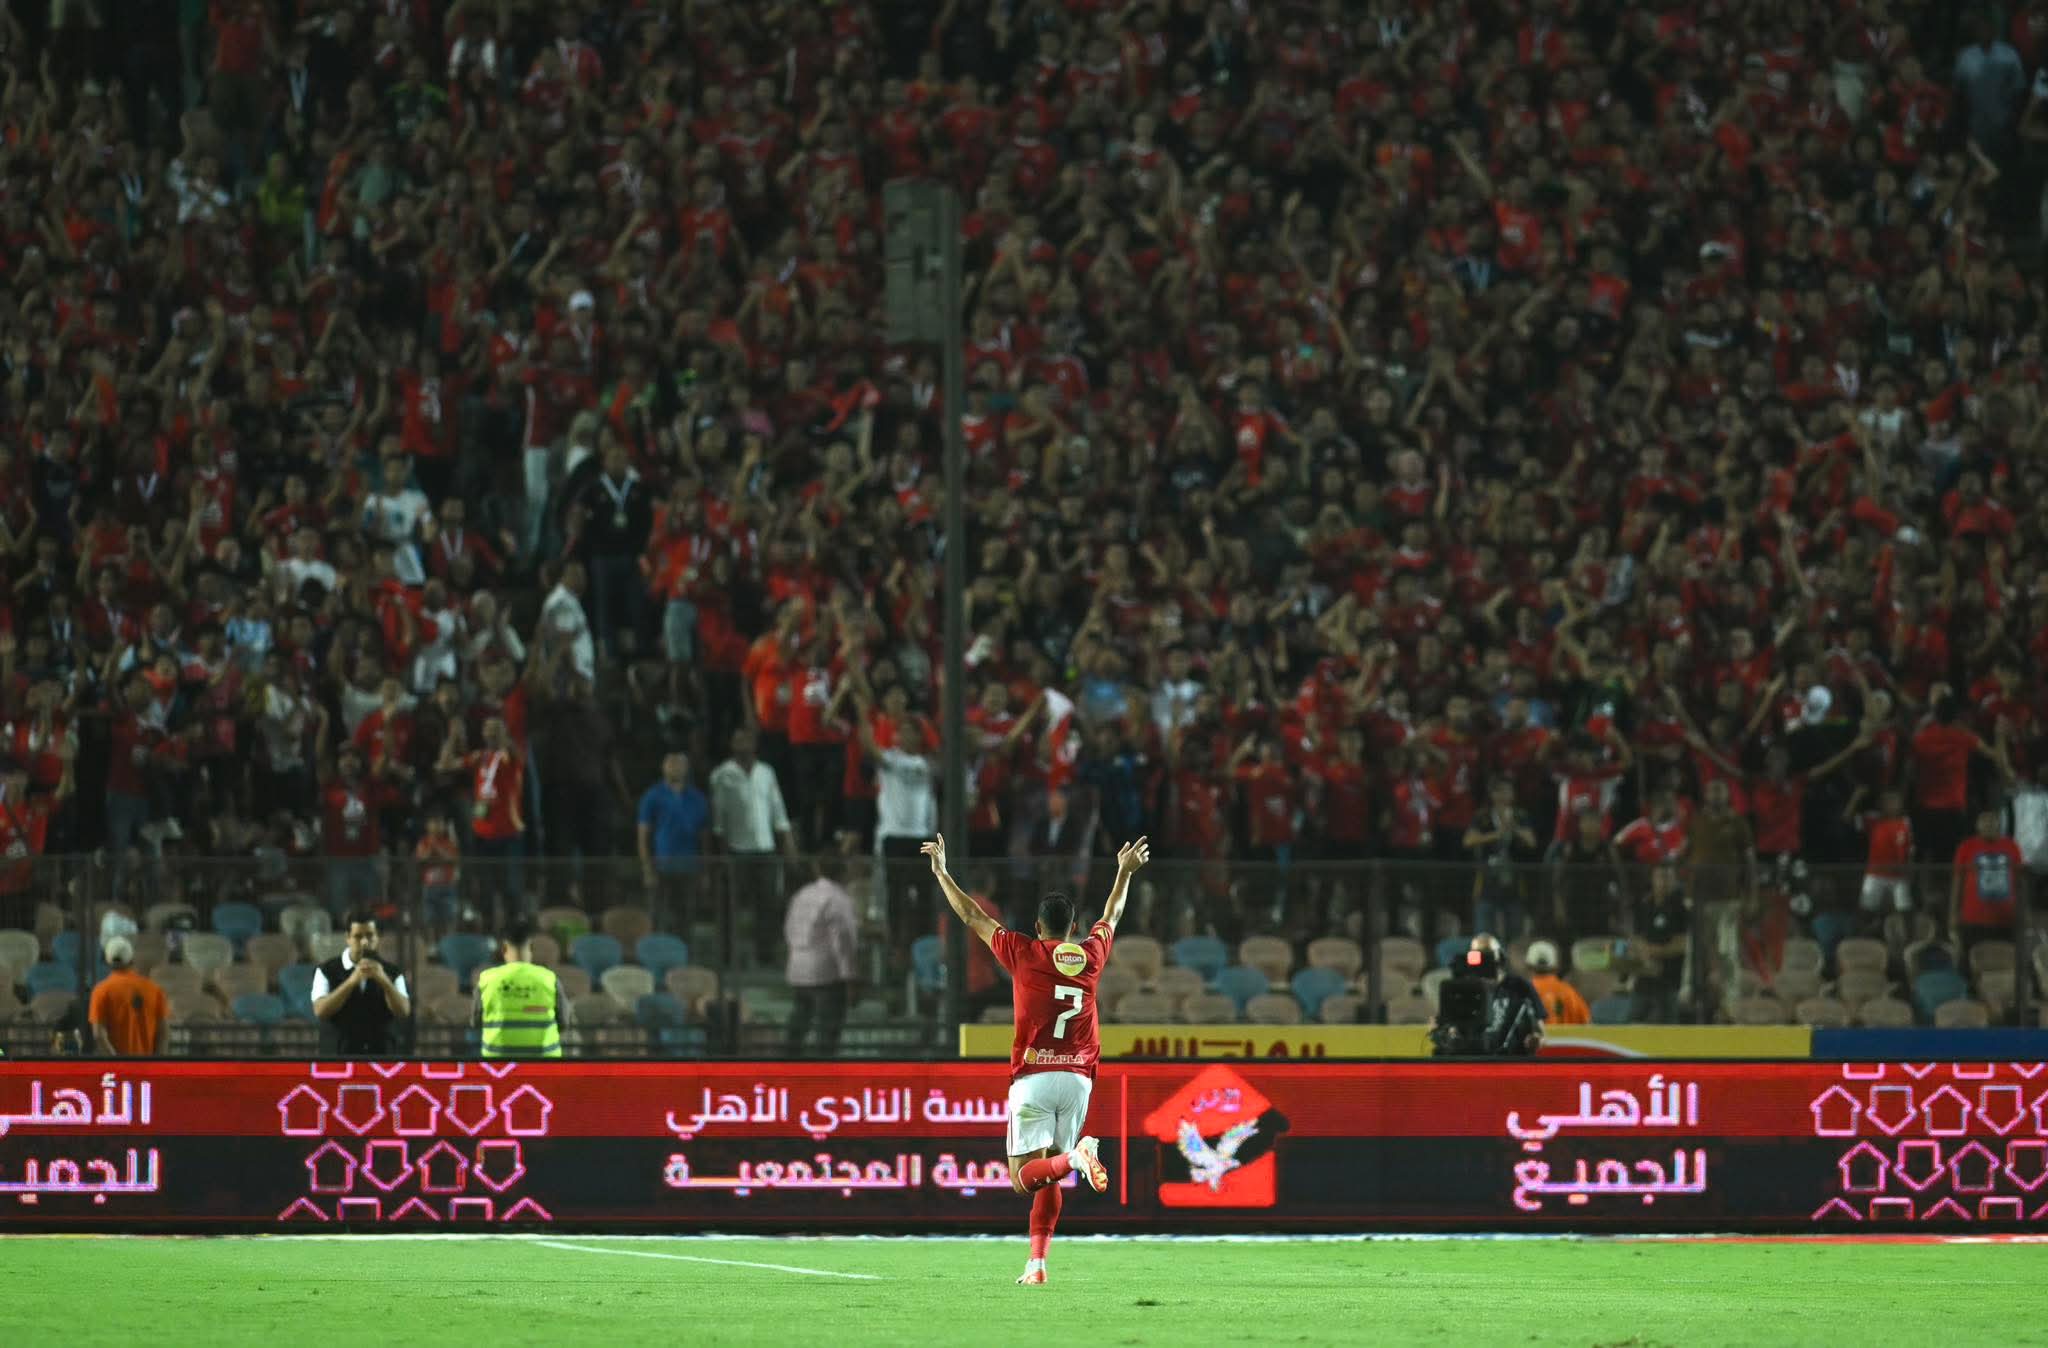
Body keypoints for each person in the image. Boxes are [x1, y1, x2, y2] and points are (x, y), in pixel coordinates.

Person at [923, 830, 1149, 1286]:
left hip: (1035, 1076)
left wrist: (943, 872)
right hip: (1079, 1080)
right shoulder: (1090, 955)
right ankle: (1037, 1264)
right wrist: (1123, 872)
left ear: (1038, 926)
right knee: (1050, 1177)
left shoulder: (1023, 953)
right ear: (1071, 927)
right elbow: (1113, 913)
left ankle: (1076, 1159)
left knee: (1024, 1178)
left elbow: (971, 914)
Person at [709, 728, 796, 964]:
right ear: (732, 744)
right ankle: (727, 956)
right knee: (731, 906)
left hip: (765, 848)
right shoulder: (722, 775)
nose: (743, 744)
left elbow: (778, 811)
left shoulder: (766, 772)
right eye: (738, 739)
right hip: (736, 849)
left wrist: (787, 843)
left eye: (747, 739)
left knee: (768, 905)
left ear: (755, 744)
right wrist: (722, 852)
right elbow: (718, 820)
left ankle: (766, 955)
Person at [784, 857, 858, 1058]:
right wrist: (849, 976)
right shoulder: (839, 899)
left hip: (798, 966)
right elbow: (844, 941)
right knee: (827, 1030)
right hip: (826, 971)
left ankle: (788, 1067)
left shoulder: (802, 894)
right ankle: (824, 1072)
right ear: (843, 872)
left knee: (799, 1022)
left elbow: (789, 928)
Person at [310, 912, 413, 1056]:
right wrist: (352, 981)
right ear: (347, 938)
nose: (364, 942)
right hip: (338, 1059)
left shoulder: (393, 972)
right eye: (358, 937)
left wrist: (384, 980)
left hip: (382, 1060)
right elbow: (320, 1011)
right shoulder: (326, 970)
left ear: (377, 938)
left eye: (370, 936)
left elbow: (403, 1011)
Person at [474, 920, 571, 1059]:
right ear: (531, 947)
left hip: (497, 1065)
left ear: (503, 949)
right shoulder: (549, 979)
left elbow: (476, 1022)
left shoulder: (486, 979)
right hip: (544, 1063)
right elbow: (564, 1022)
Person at [637, 751, 709, 932]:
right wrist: (647, 869)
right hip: (661, 867)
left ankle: (685, 955)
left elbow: (705, 837)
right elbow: (642, 836)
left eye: (679, 763)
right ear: (663, 767)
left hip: (688, 867)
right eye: (671, 762)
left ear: (687, 768)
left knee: (685, 917)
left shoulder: (698, 798)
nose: (675, 766)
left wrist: (704, 870)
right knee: (657, 916)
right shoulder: (652, 796)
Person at [1951, 809, 2025, 954]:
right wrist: (1953, 913)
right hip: (1973, 918)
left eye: (1992, 821)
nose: (1988, 825)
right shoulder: (1966, 847)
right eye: (1984, 821)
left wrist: (2023, 912)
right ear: (1977, 825)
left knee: (2005, 960)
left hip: (2005, 918)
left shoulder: (2012, 847)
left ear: (1999, 824)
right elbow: (1957, 881)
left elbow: (2020, 883)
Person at [88, 936, 167, 1057]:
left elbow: (98, 1034)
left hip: (118, 1070)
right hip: (148, 1069)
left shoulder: (101, 991)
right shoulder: (154, 989)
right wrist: (156, 1063)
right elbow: (163, 1032)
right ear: (131, 959)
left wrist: (117, 1062)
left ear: (107, 960)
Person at [1523, 940, 1590, 1025]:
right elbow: (1586, 1022)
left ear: (1527, 965)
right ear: (1556, 966)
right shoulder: (1568, 993)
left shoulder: (1521, 994)